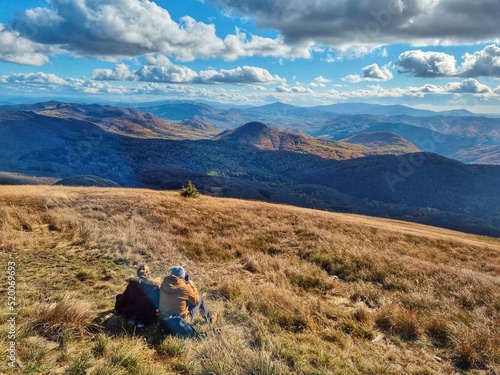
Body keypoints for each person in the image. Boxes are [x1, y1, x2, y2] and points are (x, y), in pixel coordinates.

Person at [114, 264, 160, 328]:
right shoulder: (155, 285)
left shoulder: (132, 285)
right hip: (150, 315)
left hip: (132, 313)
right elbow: (158, 301)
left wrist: (117, 309)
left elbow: (123, 299)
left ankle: (135, 321)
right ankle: (141, 321)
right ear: (148, 273)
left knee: (119, 296)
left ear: (137, 273)